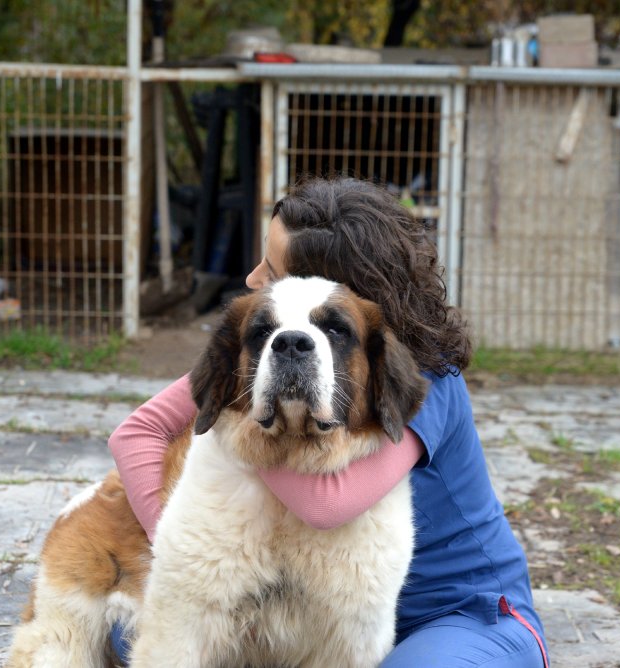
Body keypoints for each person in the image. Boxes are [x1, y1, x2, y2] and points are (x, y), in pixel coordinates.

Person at [108, 177, 549, 668]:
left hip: (458, 614)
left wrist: (247, 417)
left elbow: (326, 504)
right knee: (132, 631)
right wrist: (181, 569)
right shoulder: (276, 347)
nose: (255, 280)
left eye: (272, 271)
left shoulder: (429, 372)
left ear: (335, 286)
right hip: (322, 614)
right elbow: (136, 433)